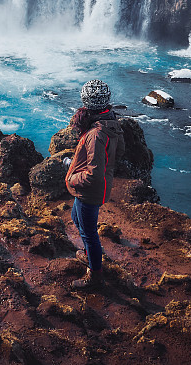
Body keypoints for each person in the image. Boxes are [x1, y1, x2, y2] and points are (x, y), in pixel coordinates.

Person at [65, 79, 123, 291]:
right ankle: (91, 254)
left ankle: (95, 275)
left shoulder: (95, 133)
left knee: (89, 232)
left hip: (89, 191)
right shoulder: (110, 122)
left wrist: (72, 177)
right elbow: (119, 152)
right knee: (76, 219)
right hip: (95, 188)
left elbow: (94, 174)